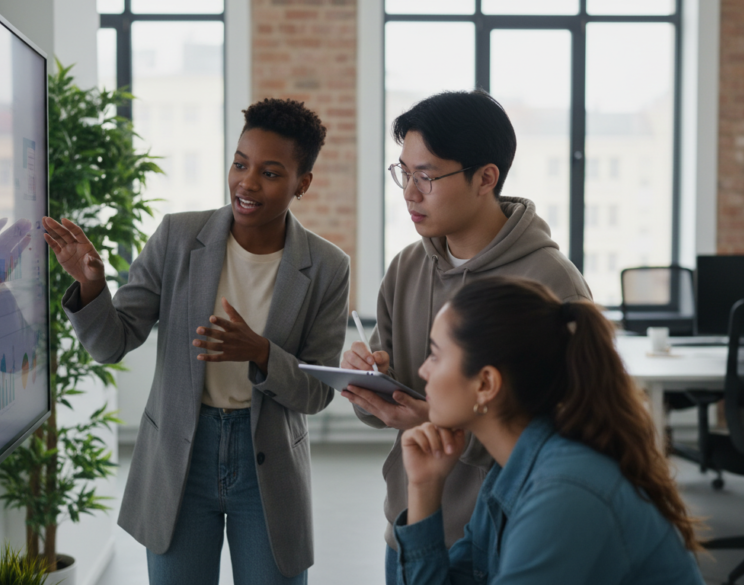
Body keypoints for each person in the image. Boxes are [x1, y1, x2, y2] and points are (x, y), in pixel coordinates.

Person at [44, 98, 350, 585]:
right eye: (240, 163)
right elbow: (113, 343)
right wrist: (91, 287)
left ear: (302, 184)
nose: (247, 183)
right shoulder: (178, 237)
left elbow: (316, 392)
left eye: (270, 173)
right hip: (179, 456)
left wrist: (260, 352)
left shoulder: (328, 267)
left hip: (265, 465)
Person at [339, 90, 591, 583]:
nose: (410, 192)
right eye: (404, 173)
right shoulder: (407, 268)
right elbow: (384, 416)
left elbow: (570, 435)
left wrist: (440, 422)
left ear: (486, 178)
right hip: (411, 521)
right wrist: (369, 386)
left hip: (505, 534)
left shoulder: (550, 282)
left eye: (427, 176)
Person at [394, 277, 704, 584]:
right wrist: (424, 486)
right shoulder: (505, 474)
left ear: (486, 384)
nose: (423, 370)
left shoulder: (565, 491)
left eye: (435, 355)